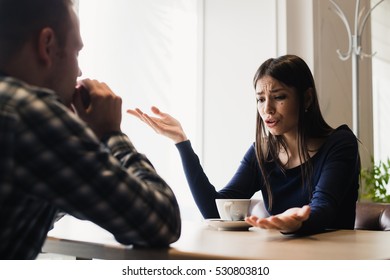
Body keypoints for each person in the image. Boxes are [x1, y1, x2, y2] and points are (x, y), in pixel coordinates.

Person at [0, 0, 181, 259]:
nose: (80, 70)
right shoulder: (29, 112)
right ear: (47, 45)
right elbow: (162, 221)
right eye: (77, 52)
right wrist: (110, 134)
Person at [128, 54, 360, 235]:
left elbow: (324, 209)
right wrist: (182, 142)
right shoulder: (262, 152)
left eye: (279, 97)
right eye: (260, 99)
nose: (266, 109)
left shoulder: (340, 144)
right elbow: (215, 209)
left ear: (306, 98)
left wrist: (297, 222)